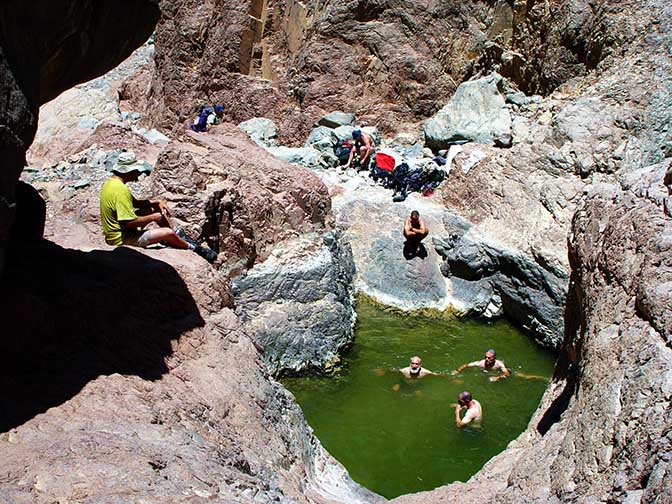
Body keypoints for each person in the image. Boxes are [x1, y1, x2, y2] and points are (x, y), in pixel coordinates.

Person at [99, 151, 217, 262]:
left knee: (153, 210)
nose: (139, 173)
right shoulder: (120, 190)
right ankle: (193, 248)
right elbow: (129, 223)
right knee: (167, 233)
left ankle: (177, 235)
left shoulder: (112, 183)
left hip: (121, 232)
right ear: (127, 171)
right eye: (136, 170)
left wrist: (157, 203)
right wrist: (154, 217)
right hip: (121, 239)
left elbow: (136, 203)